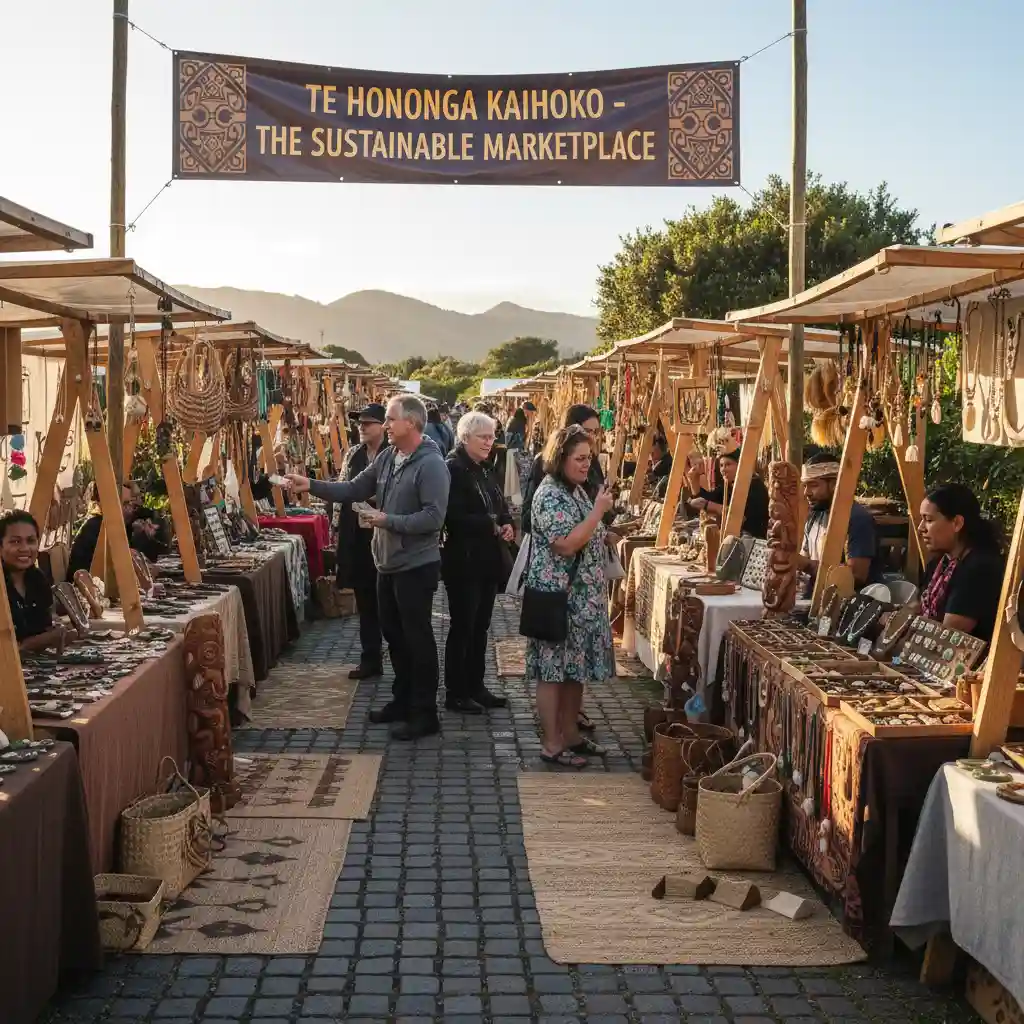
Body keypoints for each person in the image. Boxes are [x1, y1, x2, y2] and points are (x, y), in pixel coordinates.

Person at [284, 394, 450, 740]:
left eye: (390, 419)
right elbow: (355, 487)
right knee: (394, 636)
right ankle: (402, 701)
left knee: (417, 639)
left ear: (412, 423)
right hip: (386, 564)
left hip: (415, 566)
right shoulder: (390, 457)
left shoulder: (431, 464)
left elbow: (434, 518)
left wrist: (389, 520)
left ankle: (425, 712)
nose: (385, 425)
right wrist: (310, 485)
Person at [525, 425, 616, 767]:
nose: (585, 465)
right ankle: (551, 744)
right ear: (559, 458)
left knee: (574, 670)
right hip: (557, 598)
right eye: (579, 458)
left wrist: (603, 531)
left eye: (589, 458)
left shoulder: (575, 490)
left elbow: (587, 533)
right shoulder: (549, 494)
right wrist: (597, 513)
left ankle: (572, 735)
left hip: (581, 600)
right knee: (552, 672)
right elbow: (564, 544)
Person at [442, 410, 514, 714]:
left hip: (486, 560)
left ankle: (476, 685)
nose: (490, 441)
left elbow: (499, 502)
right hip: (464, 561)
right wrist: (491, 523)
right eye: (484, 436)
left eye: (492, 435)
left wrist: (508, 522)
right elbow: (452, 517)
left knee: (481, 626)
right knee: (463, 627)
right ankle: (456, 692)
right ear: (465, 437)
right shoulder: (454, 469)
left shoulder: (485, 467)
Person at [335, 403, 391, 680]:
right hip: (358, 539)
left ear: (383, 426)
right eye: (360, 422)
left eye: (368, 423)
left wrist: (374, 503)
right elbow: (343, 488)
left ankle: (400, 659)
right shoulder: (354, 455)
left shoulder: (393, 456)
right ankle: (371, 658)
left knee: (389, 605)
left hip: (386, 537)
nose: (362, 426)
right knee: (366, 602)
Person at [918, 483, 1005, 640]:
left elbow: (948, 636)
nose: (920, 528)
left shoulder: (980, 569)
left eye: (929, 520)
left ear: (957, 523)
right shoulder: (939, 564)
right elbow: (917, 607)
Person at [796, 452, 880, 592]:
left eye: (813, 485)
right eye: (805, 485)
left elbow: (856, 576)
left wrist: (806, 565)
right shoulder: (814, 516)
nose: (806, 492)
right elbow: (805, 560)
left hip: (851, 606)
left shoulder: (857, 519)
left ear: (835, 484)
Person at [67, 481, 170, 580]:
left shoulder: (124, 525)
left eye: (132, 505)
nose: (131, 509)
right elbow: (120, 565)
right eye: (126, 504)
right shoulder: (96, 527)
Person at [0, 510, 65, 653]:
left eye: (30, 541)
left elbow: (47, 625)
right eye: (15, 541)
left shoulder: (38, 579)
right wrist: (40, 641)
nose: (24, 549)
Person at [686, 447, 769, 538]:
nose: (723, 469)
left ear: (740, 465)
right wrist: (693, 480)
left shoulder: (754, 486)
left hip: (754, 539)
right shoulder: (728, 485)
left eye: (728, 464)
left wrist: (713, 506)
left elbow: (743, 518)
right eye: (721, 465)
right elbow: (706, 499)